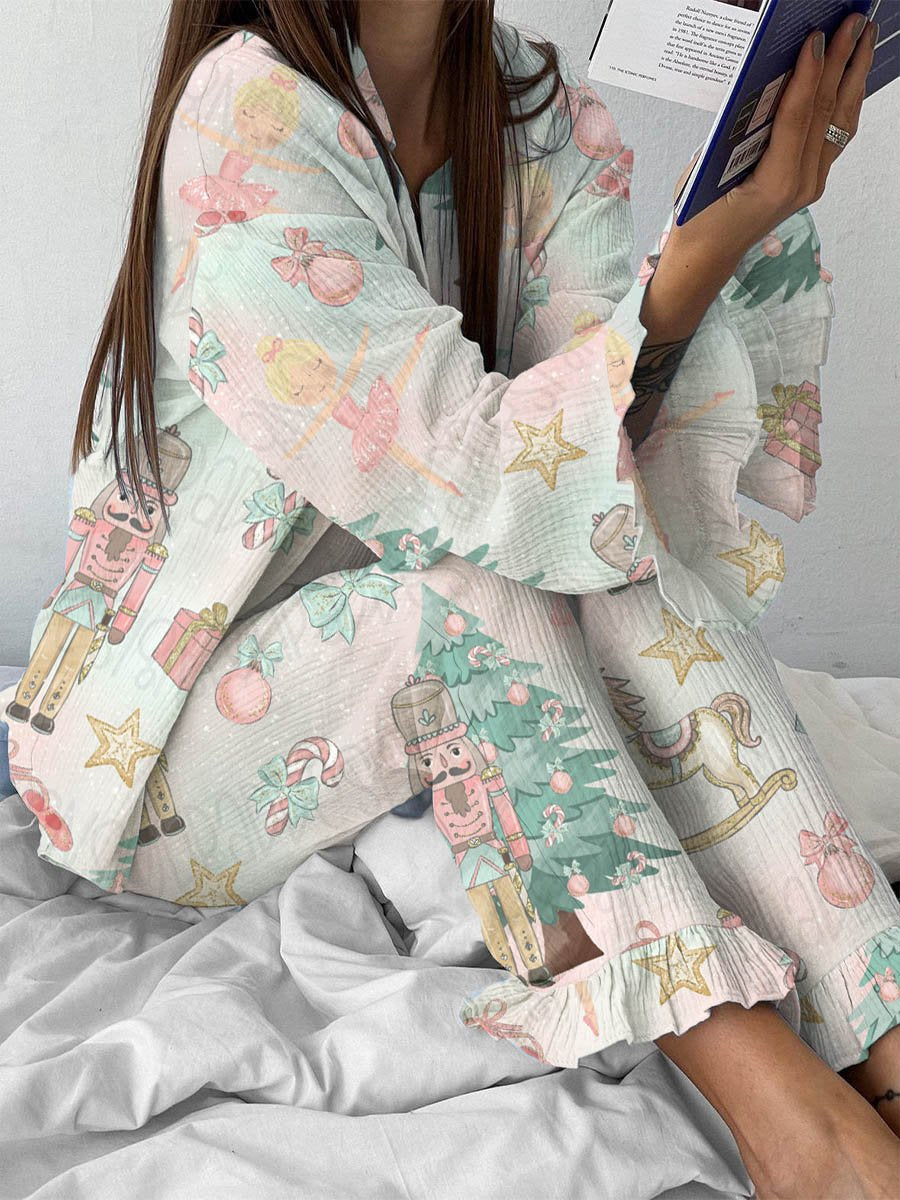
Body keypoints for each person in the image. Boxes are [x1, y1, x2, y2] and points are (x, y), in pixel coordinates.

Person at [2, 2, 897, 1194]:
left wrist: (737, 221)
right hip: (169, 757)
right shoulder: (244, 116)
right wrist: (704, 250)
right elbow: (469, 484)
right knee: (469, 582)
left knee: (609, 551)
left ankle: (883, 1032)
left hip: (409, 677)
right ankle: (782, 1114)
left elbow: (594, 466)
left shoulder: (527, 99)